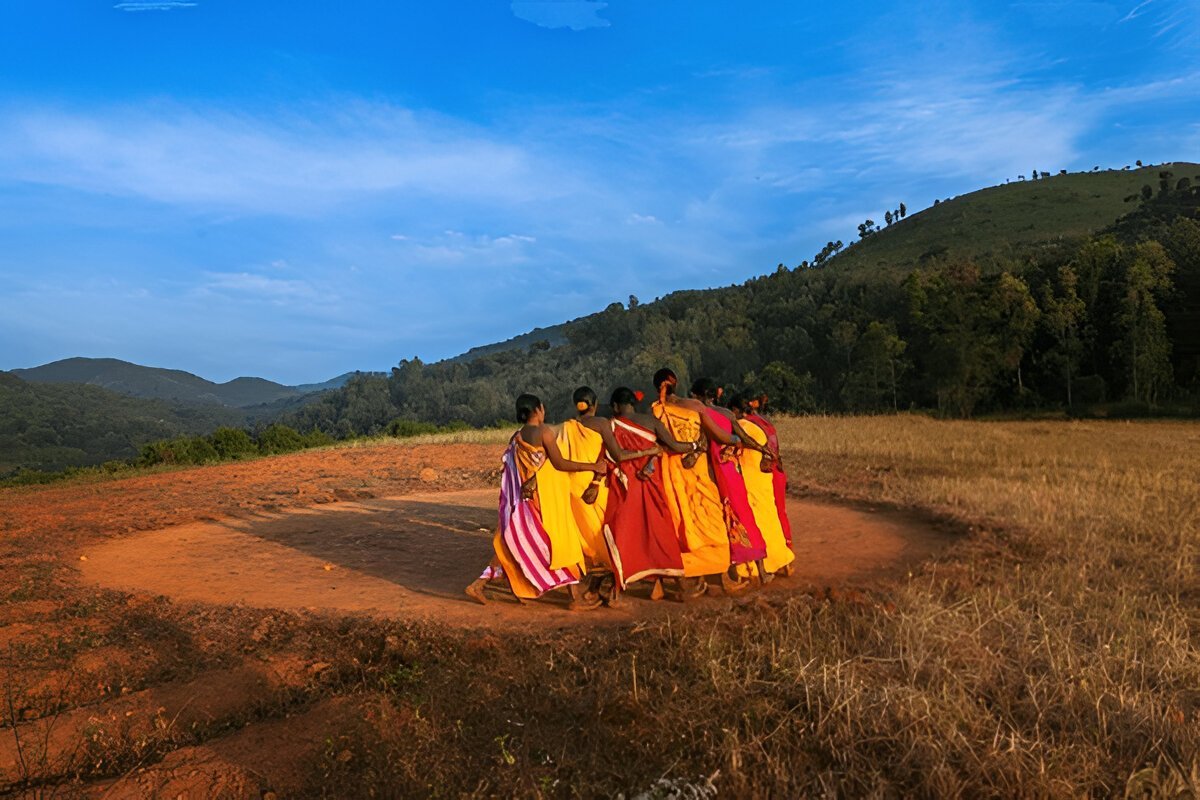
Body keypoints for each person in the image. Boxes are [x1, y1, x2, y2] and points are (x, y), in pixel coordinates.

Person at [465, 393, 606, 607]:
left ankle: (481, 584)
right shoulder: (544, 432)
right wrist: (593, 466)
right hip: (543, 502)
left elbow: (513, 469)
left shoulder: (516, 437)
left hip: (523, 502)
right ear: (538, 410)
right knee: (560, 543)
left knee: (514, 544)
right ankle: (575, 598)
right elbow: (560, 464)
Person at [558, 386, 662, 601]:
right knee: (608, 537)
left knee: (587, 539)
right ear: (595, 404)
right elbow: (619, 455)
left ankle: (595, 588)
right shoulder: (601, 424)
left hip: (573, 489)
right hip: (594, 488)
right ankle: (611, 590)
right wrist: (649, 451)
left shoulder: (566, 427)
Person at [601, 387, 699, 601]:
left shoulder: (611, 425)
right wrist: (695, 445)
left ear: (616, 406)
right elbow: (674, 445)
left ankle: (639, 582)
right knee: (660, 529)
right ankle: (673, 582)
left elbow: (612, 456)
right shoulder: (651, 421)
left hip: (626, 486)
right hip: (652, 483)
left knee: (629, 532)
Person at [651, 368, 734, 597]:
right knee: (709, 520)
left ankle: (682, 575)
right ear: (677, 383)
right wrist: (739, 440)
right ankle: (707, 572)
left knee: (678, 522)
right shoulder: (695, 406)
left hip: (670, 473)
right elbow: (713, 435)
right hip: (697, 472)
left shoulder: (655, 410)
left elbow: (657, 444)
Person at [687, 377, 774, 586]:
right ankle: (761, 570)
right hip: (734, 471)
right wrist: (763, 449)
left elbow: (703, 444)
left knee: (722, 520)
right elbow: (744, 438)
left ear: (698, 395)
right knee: (745, 515)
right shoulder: (726, 413)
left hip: (716, 473)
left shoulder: (701, 415)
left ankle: (726, 570)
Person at [729, 394, 795, 579]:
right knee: (773, 516)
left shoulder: (741, 426)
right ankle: (783, 560)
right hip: (767, 475)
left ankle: (758, 565)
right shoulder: (763, 423)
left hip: (749, 477)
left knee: (752, 521)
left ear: (735, 410)